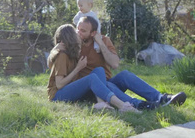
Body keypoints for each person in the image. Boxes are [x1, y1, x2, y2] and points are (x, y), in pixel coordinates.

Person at [55, 16, 186, 110]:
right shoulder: (74, 44)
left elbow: (115, 64)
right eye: (78, 29)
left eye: (83, 31)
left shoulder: (104, 41)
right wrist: (54, 50)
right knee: (106, 84)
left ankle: (160, 98)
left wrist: (100, 43)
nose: (78, 32)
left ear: (93, 33)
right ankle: (138, 104)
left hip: (107, 82)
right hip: (90, 87)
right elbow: (56, 59)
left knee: (124, 75)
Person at [47, 24, 140, 113]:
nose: (78, 34)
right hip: (57, 96)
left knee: (99, 70)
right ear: (70, 37)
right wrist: (78, 68)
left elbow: (51, 65)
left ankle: (101, 103)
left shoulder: (73, 53)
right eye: (76, 33)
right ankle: (121, 106)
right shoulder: (62, 55)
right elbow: (59, 84)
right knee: (91, 79)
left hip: (69, 91)